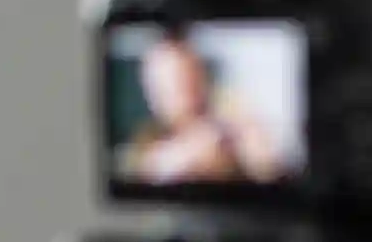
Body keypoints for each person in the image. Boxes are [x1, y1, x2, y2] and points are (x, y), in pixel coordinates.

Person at [121, 32, 287, 185]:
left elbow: (271, 174)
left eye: (185, 78)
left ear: (201, 77)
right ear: (151, 91)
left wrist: (257, 155)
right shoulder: (142, 143)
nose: (180, 91)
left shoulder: (232, 122)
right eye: (166, 84)